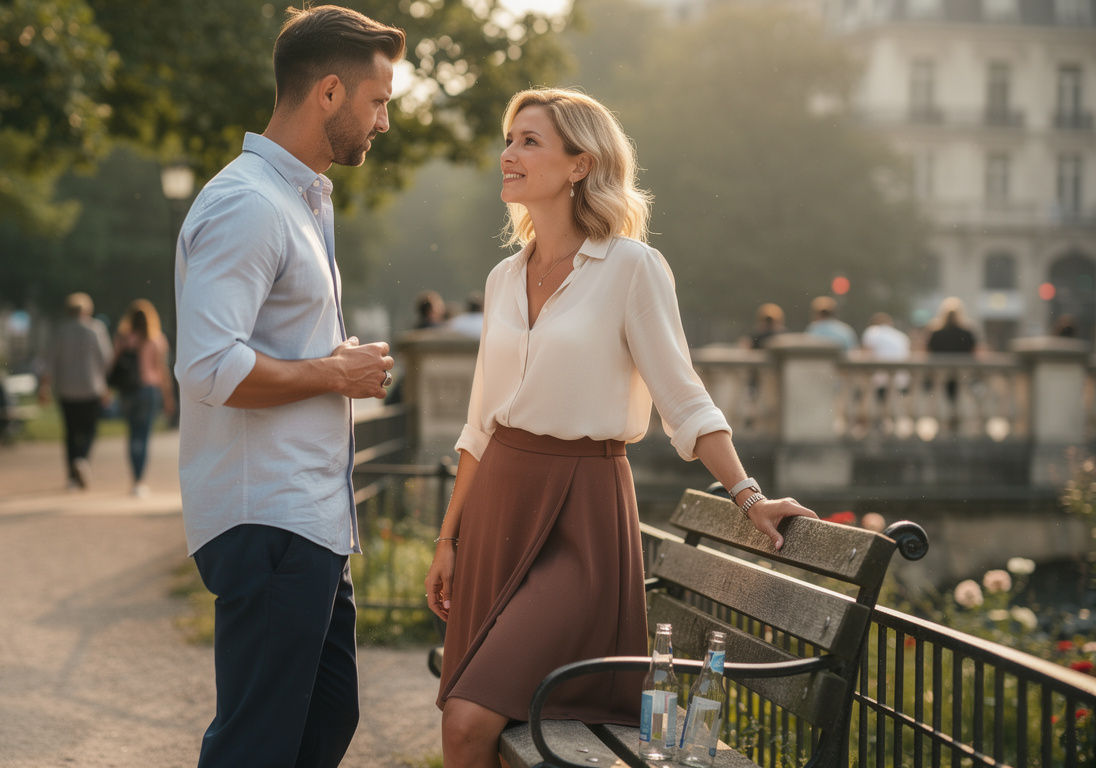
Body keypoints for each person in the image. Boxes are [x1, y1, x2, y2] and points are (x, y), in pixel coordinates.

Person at [422, 88, 818, 768]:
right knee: (473, 722)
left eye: (529, 141)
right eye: (509, 139)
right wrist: (448, 539)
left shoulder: (632, 267)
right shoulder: (502, 278)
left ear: (580, 164)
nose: (508, 154)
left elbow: (684, 400)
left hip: (582, 517)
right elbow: (479, 427)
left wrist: (748, 495)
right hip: (497, 508)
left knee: (466, 722)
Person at [172, 7, 404, 768]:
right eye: (378, 102)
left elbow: (266, 347)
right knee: (258, 745)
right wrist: (335, 372)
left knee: (325, 721)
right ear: (329, 92)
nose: (384, 122)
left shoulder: (299, 201)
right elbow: (209, 367)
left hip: (308, 518)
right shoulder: (248, 204)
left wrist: (332, 361)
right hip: (266, 517)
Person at [41, 292, 112, 489]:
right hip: (91, 388)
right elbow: (106, 359)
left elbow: (50, 362)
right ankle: (82, 459)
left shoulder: (60, 331)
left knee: (71, 431)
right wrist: (106, 386)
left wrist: (44, 387)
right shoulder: (96, 329)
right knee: (89, 429)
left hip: (66, 389)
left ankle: (72, 477)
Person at [110, 299, 176, 497]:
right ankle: (140, 481)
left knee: (132, 435)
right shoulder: (156, 340)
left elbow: (113, 365)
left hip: (128, 391)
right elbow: (162, 371)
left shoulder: (123, 339)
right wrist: (168, 397)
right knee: (143, 436)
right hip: (148, 390)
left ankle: (134, 478)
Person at [861, 312, 911, 401]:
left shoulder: (872, 331)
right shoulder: (902, 336)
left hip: (879, 381)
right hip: (901, 381)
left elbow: (866, 356)